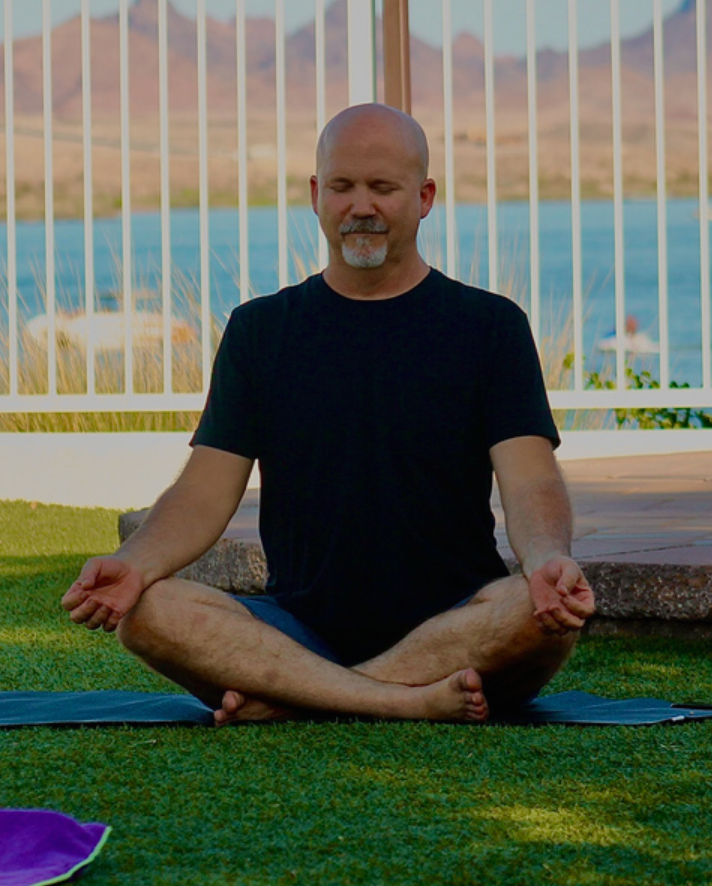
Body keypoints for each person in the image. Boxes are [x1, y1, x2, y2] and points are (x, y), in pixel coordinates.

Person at [62, 104, 596, 725]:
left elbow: (530, 478)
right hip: (298, 629)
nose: (360, 206)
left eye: (383, 188)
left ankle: (302, 698)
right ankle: (402, 699)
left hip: (455, 623)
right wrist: (135, 564)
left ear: (424, 198)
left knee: (536, 613)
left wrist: (547, 557)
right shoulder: (260, 331)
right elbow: (203, 492)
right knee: (149, 614)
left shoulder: (491, 327)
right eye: (343, 186)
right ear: (317, 195)